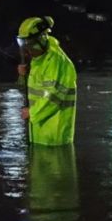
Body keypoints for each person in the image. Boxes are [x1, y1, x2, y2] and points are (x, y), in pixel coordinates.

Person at [16, 16, 77, 145]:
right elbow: (35, 89)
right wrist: (23, 76)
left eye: (30, 44)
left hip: (55, 134)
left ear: (42, 38)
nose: (27, 50)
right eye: (25, 44)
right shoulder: (38, 59)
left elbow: (54, 96)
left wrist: (31, 112)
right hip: (40, 131)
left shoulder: (56, 60)